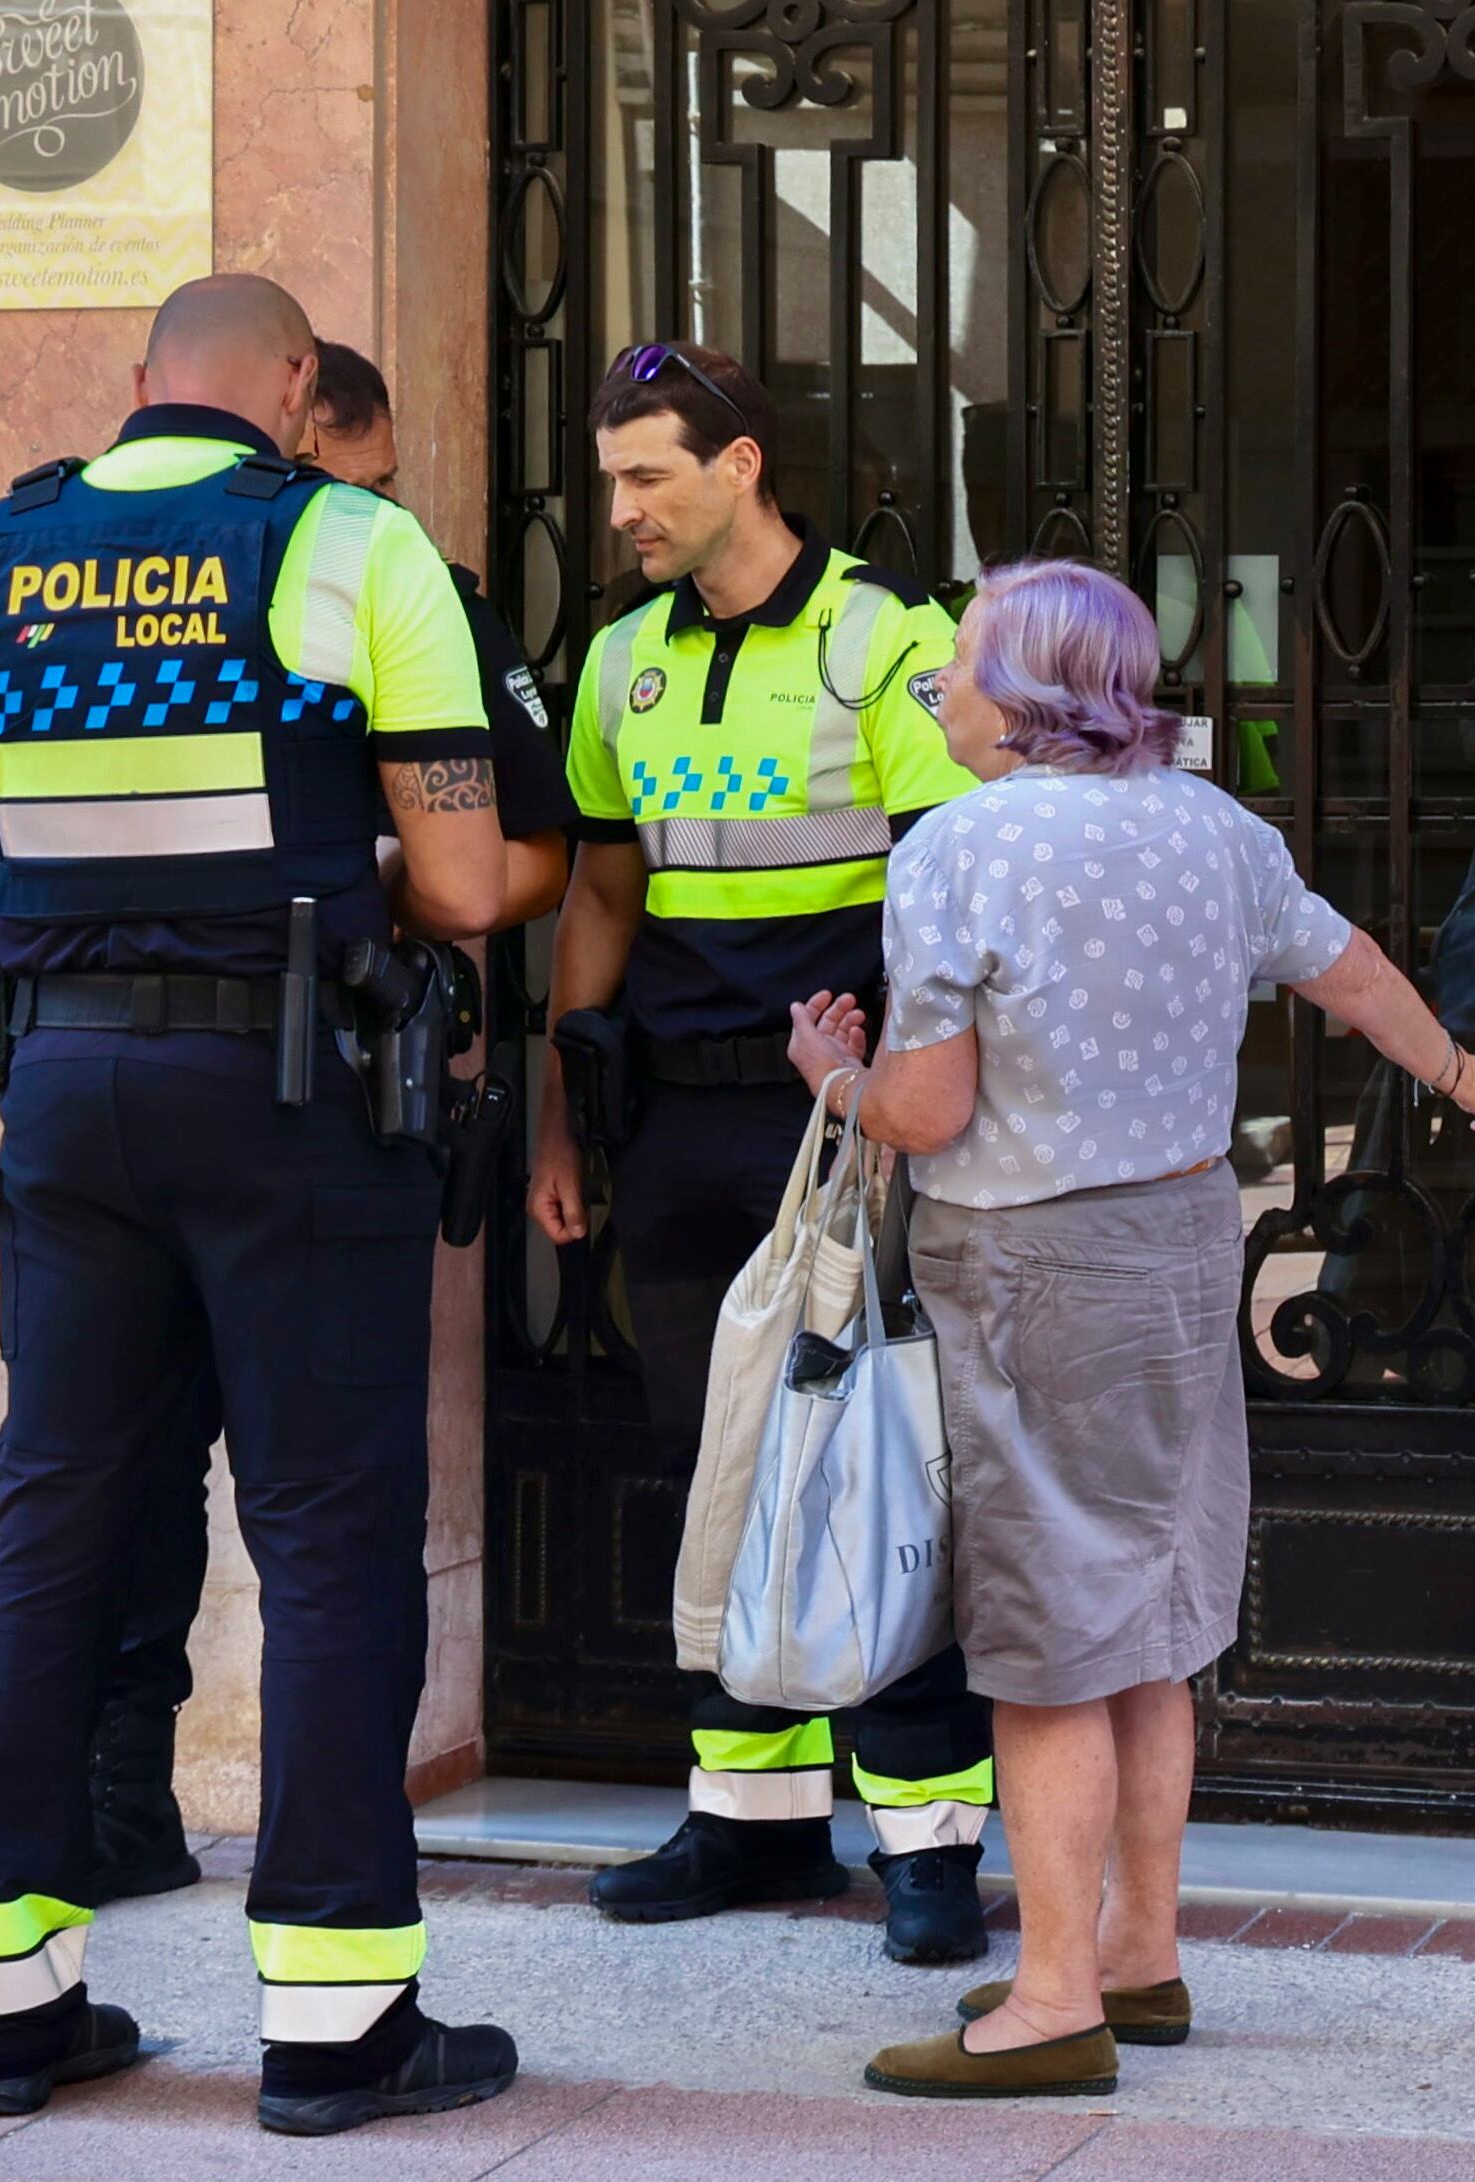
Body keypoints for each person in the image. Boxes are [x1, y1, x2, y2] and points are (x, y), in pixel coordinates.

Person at [784, 560, 1475, 2098]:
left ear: (1025, 697)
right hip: (1175, 1244)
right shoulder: (1212, 827)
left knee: (1045, 1645)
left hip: (1029, 1264)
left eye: (955, 666)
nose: (936, 688)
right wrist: (1468, 1073)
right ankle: (1143, 1954)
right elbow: (1344, 967)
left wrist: (832, 1076)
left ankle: (1052, 1999)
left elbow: (930, 1107)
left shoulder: (958, 849)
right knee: (1147, 1615)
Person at [0, 273, 521, 2134]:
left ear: (139, 385)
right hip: (295, 1099)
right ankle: (334, 2025)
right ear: (300, 390)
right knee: (326, 1535)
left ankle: (1, 2003)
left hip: (67, 1100)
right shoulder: (355, 543)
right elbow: (472, 886)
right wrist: (330, 877)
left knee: (54, 1516)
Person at [66, 339, 581, 1906]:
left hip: (345, 1071)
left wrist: (360, 882)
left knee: (303, 1505)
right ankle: (123, 1800)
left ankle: (308, 1877)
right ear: (299, 412)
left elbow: (527, 855)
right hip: (196, 1078)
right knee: (143, 1482)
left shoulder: (414, 582)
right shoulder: (200, 567)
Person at [527, 339, 998, 1962]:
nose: (628, 511)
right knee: (714, 1461)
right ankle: (754, 1818)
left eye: (651, 475)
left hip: (843, 1125)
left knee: (878, 1456)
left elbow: (955, 889)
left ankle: (929, 1839)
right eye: (613, 482)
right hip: (677, 1118)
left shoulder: (890, 638)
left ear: (742, 468)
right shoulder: (617, 660)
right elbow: (602, 891)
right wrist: (559, 1112)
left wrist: (907, 1092)